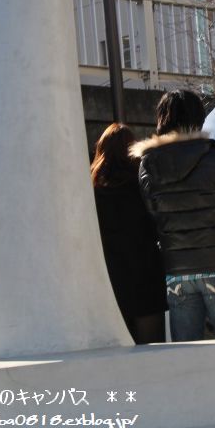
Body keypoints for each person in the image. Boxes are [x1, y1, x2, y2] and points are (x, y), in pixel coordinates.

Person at [130, 89, 215, 342]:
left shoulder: (147, 165)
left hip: (177, 271)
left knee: (186, 355)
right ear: (199, 117)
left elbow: (155, 215)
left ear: (162, 120)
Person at [90, 122, 168, 344]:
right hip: (146, 279)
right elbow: (157, 226)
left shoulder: (92, 192)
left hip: (110, 283)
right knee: (153, 352)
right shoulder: (143, 185)